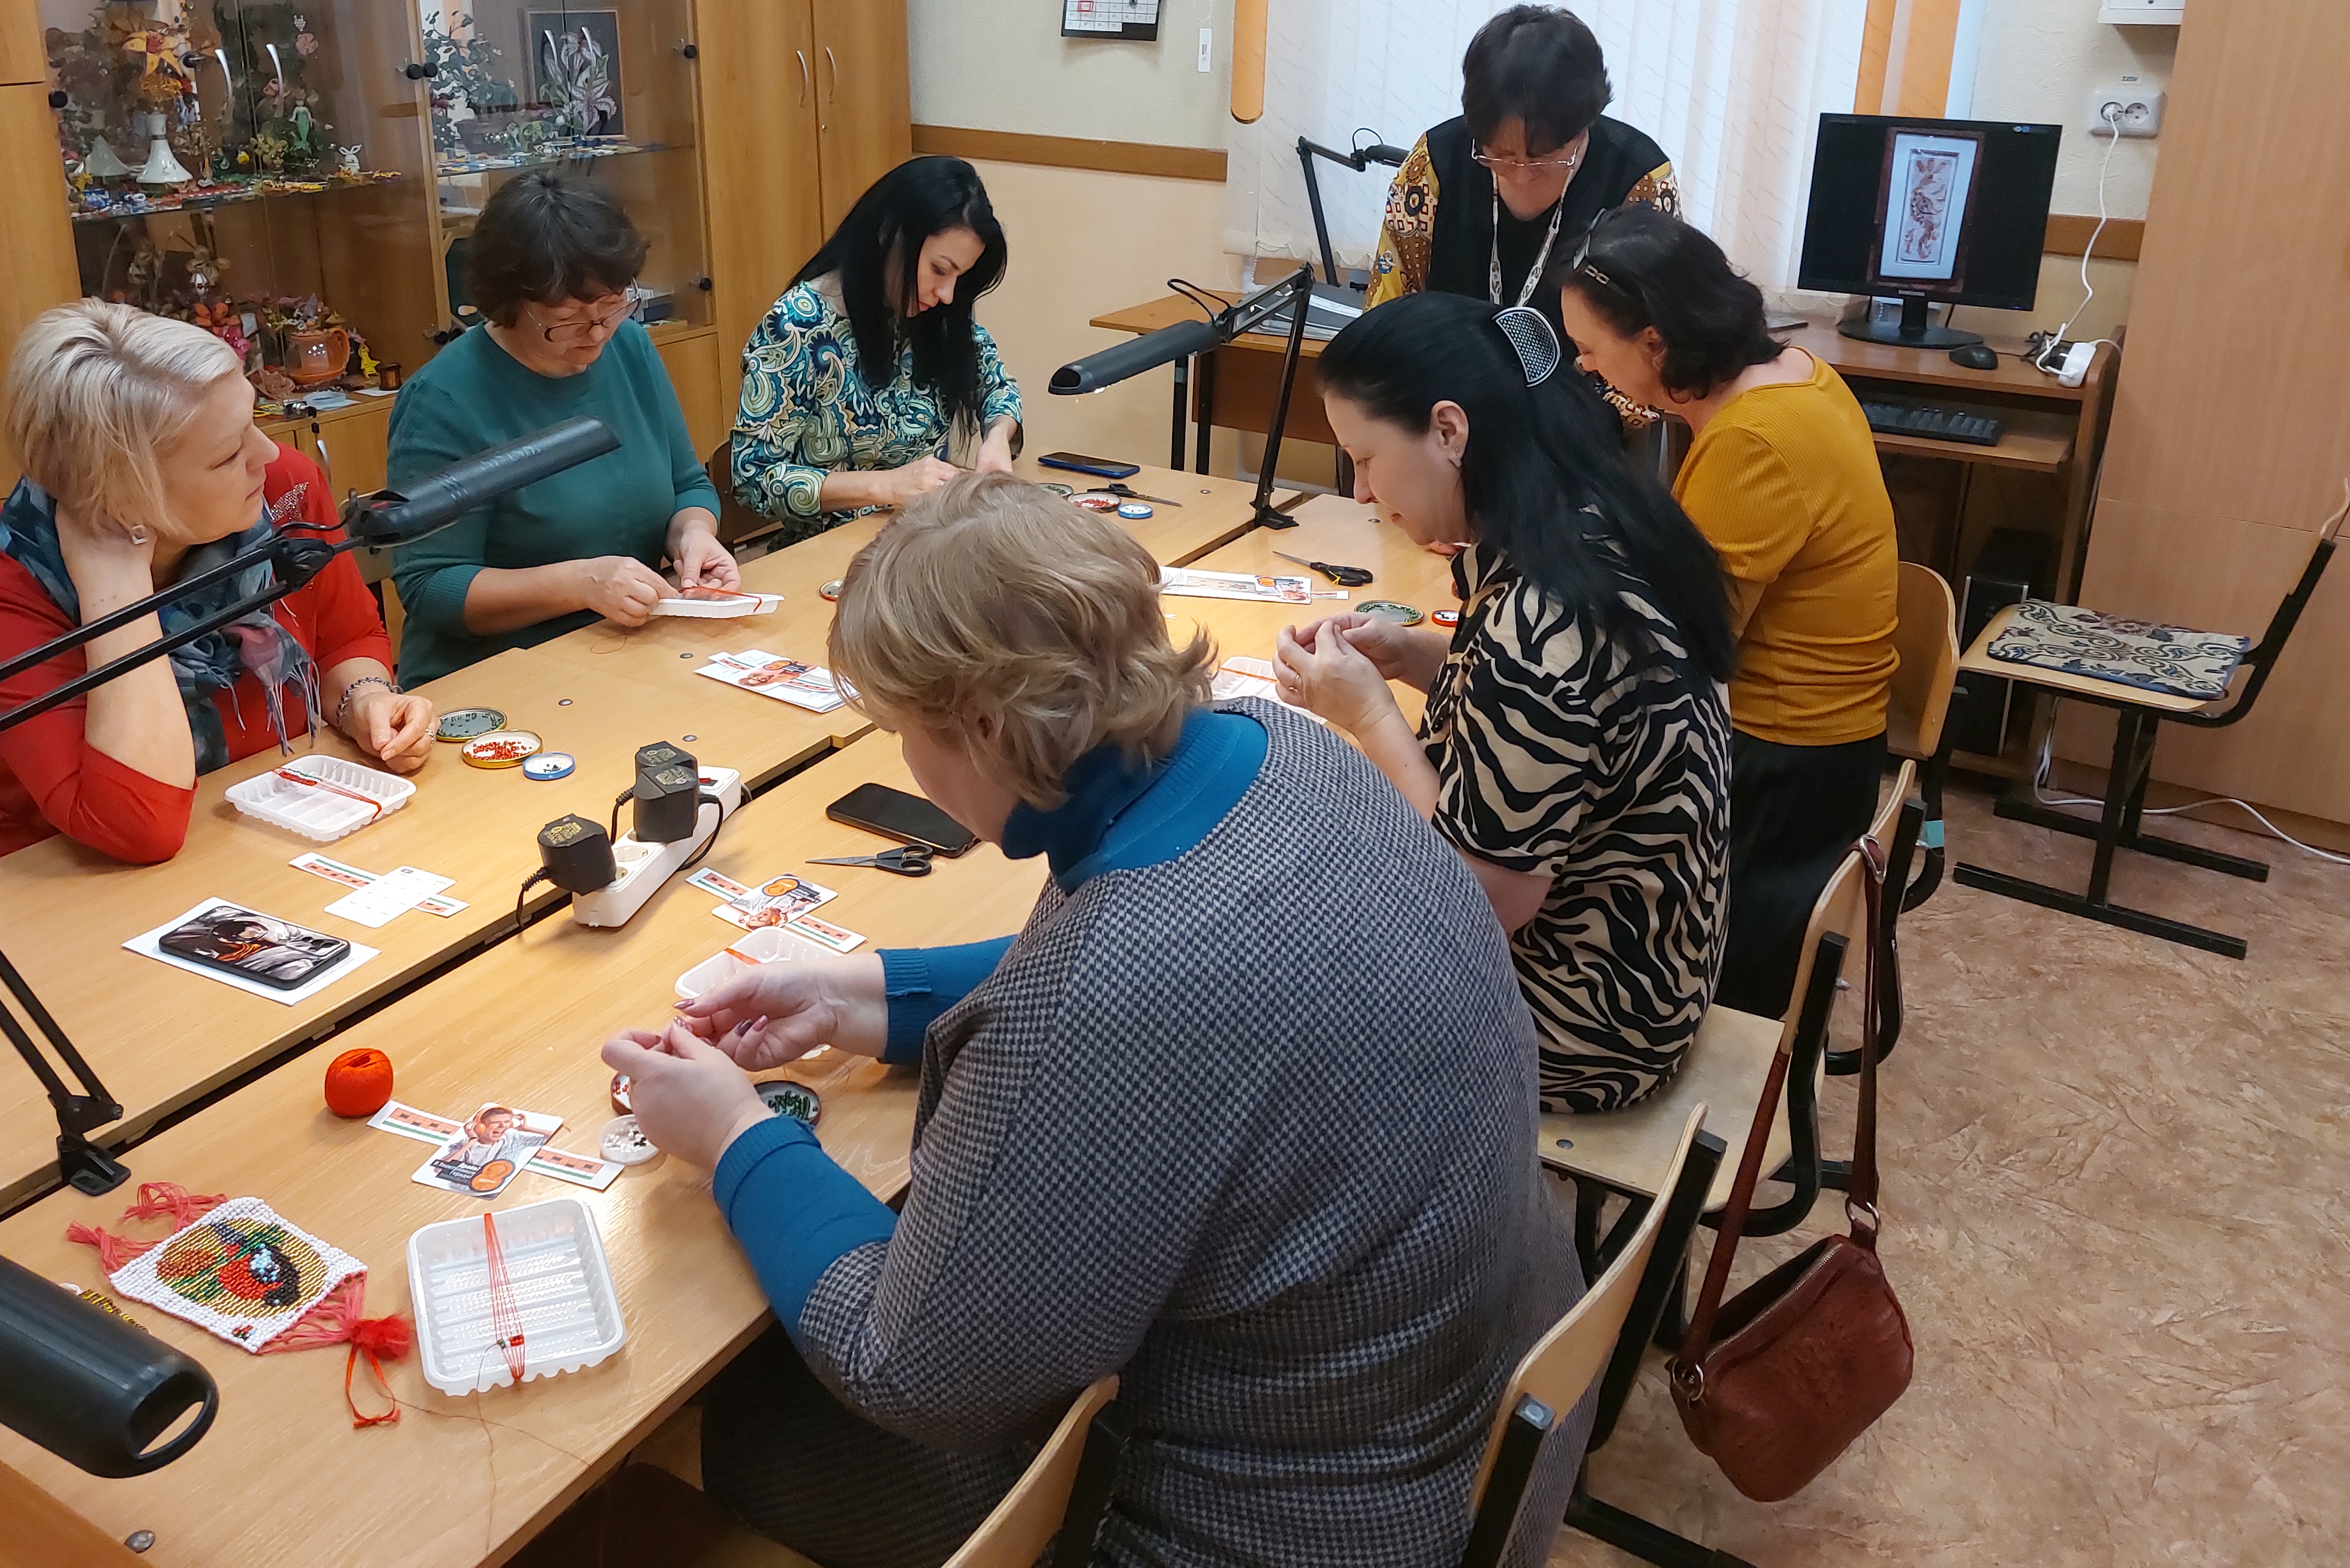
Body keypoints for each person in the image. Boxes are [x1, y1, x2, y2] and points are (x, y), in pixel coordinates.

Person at [601, 476, 1579, 1568]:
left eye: (902, 731)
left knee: (727, 1408)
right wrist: (855, 994)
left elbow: (907, 1368)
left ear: (980, 727)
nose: (906, 761)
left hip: (1306, 1530)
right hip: (1471, 1431)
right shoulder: (1282, 747)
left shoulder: (1106, 987)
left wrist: (736, 1136)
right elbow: (1172, 987)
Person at [1273, 293, 1736, 1113]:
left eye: (1367, 459)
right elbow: (1575, 720)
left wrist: (1370, 716)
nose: (1364, 493)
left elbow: (1482, 899)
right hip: (1653, 974)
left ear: (1448, 431)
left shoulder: (1540, 619)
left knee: (1256, 966)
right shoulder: (1595, 523)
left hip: (1574, 1028)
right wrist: (1416, 657)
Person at [0, 301, 435, 870]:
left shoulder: (281, 487)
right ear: (128, 497)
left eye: (252, 420)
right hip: (72, 880)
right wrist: (116, 583)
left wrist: (364, 700)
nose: (269, 453)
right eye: (228, 455)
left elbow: (345, 639)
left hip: (268, 820)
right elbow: (138, 825)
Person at [1559, 205, 1897, 1017]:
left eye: (1591, 350)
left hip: (1784, 762)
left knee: (1556, 812)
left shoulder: (1754, 440)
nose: (1584, 367)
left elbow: (1680, 651)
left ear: (1653, 344)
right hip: (1825, 743)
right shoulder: (1797, 373)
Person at [387, 176, 735, 681]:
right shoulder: (444, 400)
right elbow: (432, 586)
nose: (597, 332)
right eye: (567, 319)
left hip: (621, 652)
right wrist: (580, 583)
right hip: (497, 677)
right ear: (509, 304)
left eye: (613, 305)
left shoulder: (629, 347)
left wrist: (693, 537)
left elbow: (687, 484)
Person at [729, 156, 1022, 538]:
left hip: (924, 539)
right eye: (939, 270)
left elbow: (998, 386)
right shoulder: (799, 324)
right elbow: (754, 477)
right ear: (890, 236)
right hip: (826, 548)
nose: (947, 294)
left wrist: (996, 439)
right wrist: (885, 486)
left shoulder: (933, 315)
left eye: (958, 278)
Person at [1363, 4, 1677, 349]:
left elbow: (1655, 347)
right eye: (1501, 156)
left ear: (1583, 128)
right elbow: (1386, 316)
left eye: (1544, 158)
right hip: (1445, 374)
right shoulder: (1434, 165)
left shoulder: (1639, 180)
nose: (1521, 176)